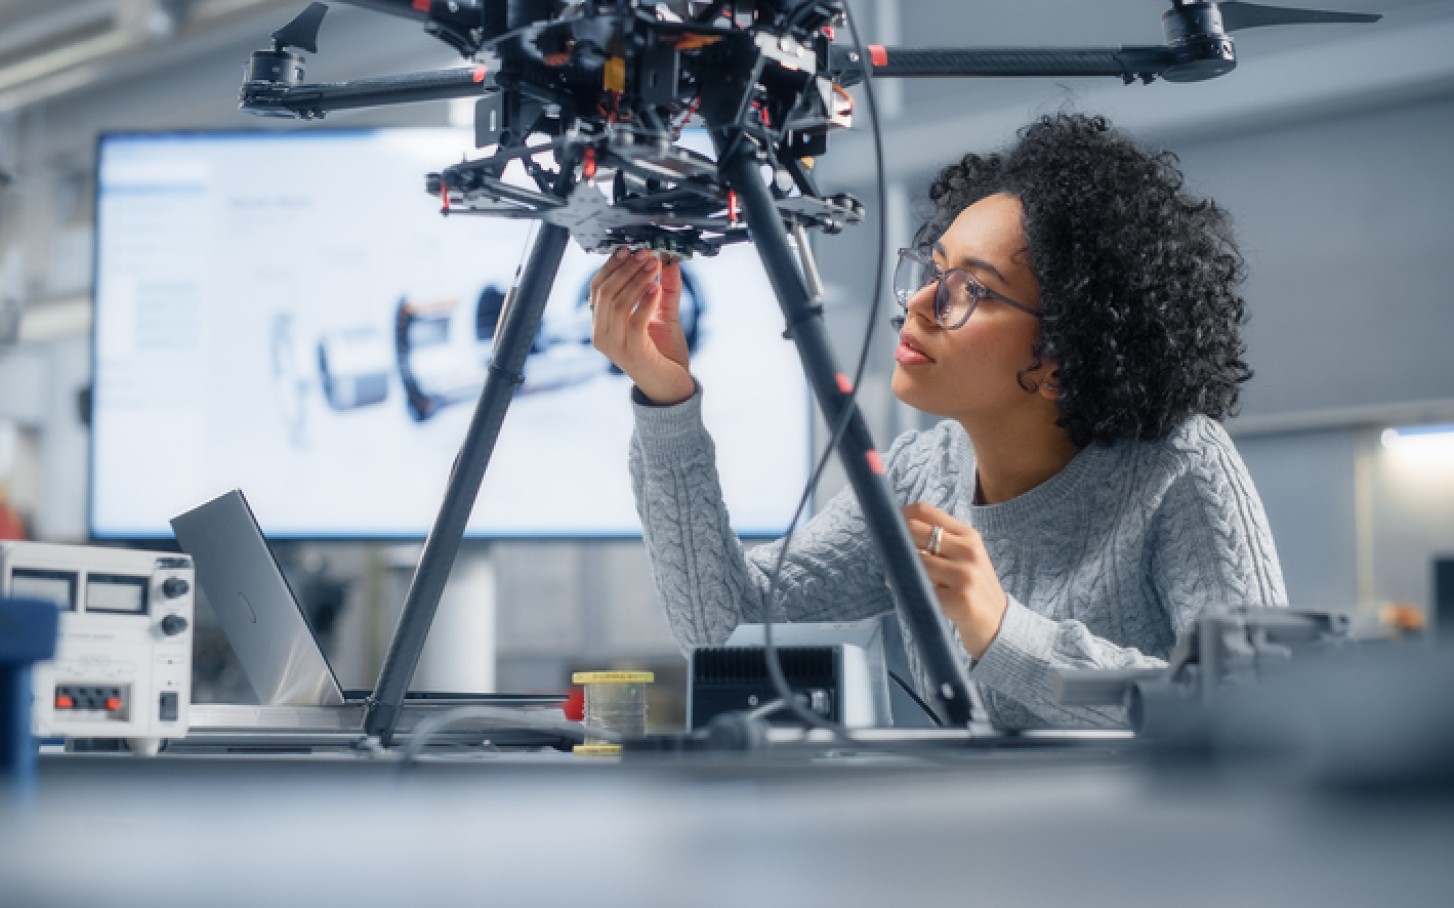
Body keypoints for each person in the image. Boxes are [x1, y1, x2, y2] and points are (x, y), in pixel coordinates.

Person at [588, 112, 1286, 729]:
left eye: (969, 291)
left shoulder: (1180, 465)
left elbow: (1255, 708)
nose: (919, 302)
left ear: (1061, 359)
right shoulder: (924, 474)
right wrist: (666, 402)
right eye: (933, 268)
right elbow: (724, 626)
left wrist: (1004, 633)